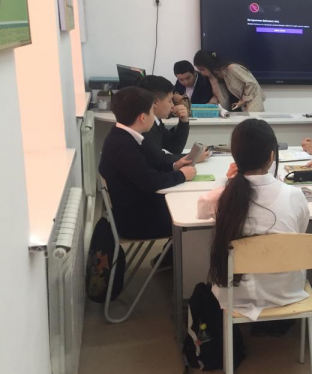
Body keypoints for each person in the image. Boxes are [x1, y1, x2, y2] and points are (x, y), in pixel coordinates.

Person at [199, 119, 310, 321]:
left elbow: (201, 209)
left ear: (235, 156)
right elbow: (300, 232)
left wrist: (226, 180)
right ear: (272, 156)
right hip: (286, 292)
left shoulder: (224, 195)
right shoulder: (294, 195)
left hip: (235, 295)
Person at [99, 87, 195, 240]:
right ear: (143, 117)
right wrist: (181, 175)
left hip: (139, 208)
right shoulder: (123, 145)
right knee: (193, 215)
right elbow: (151, 181)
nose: (154, 117)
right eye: (152, 112)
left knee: (188, 205)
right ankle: (175, 254)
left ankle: (172, 254)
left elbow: (150, 164)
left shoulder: (124, 135)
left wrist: (175, 166)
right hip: (138, 221)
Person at [137, 75, 197, 170]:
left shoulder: (155, 121)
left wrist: (183, 121)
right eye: (169, 101)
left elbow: (175, 147)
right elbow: (159, 160)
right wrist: (191, 157)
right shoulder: (143, 127)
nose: (172, 105)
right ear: (155, 103)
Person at [193, 50, 266, 112]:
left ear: (210, 65)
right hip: (236, 106)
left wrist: (243, 101)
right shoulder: (213, 77)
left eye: (202, 69)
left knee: (251, 123)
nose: (201, 73)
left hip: (252, 100)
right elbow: (218, 96)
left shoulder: (232, 68)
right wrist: (208, 105)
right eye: (199, 70)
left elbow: (251, 83)